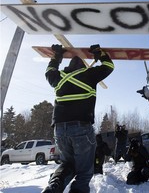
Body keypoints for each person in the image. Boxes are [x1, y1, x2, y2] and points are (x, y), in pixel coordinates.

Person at [42, 44, 114, 193]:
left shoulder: (59, 77)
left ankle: (55, 185)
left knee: (67, 164)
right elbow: (109, 65)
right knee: (84, 172)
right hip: (81, 128)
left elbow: (49, 71)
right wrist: (98, 53)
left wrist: (57, 56)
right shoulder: (90, 75)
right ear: (83, 67)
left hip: (60, 130)